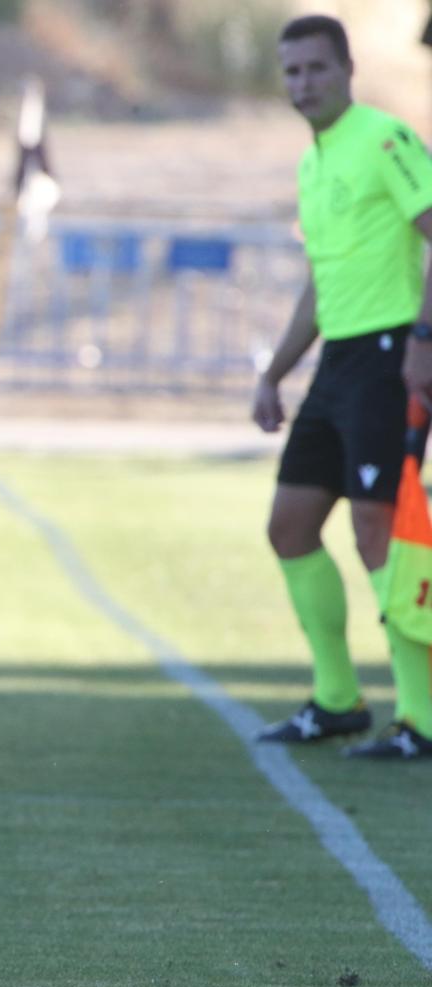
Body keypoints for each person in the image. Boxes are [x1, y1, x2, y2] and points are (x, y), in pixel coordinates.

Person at [253, 14, 432, 760]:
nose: (304, 84)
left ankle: (420, 718)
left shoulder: (384, 138)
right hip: (337, 367)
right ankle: (337, 701)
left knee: (380, 535)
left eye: (316, 69)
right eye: (292, 72)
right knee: (290, 525)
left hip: (391, 354)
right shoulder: (312, 162)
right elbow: (321, 286)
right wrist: (274, 372)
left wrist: (423, 342)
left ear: (347, 70)